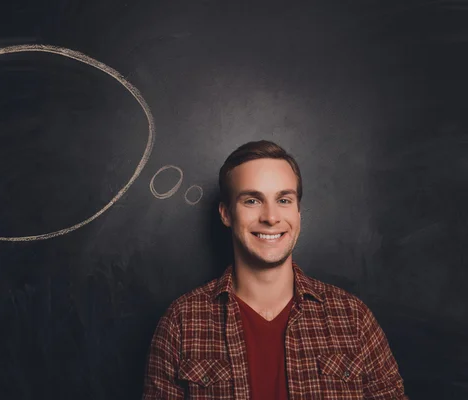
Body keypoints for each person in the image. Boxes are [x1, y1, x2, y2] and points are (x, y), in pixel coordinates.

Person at [142, 140, 407, 399]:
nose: (270, 217)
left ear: (298, 212)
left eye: (283, 200)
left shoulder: (353, 319)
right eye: (252, 201)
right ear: (225, 214)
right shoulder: (182, 321)